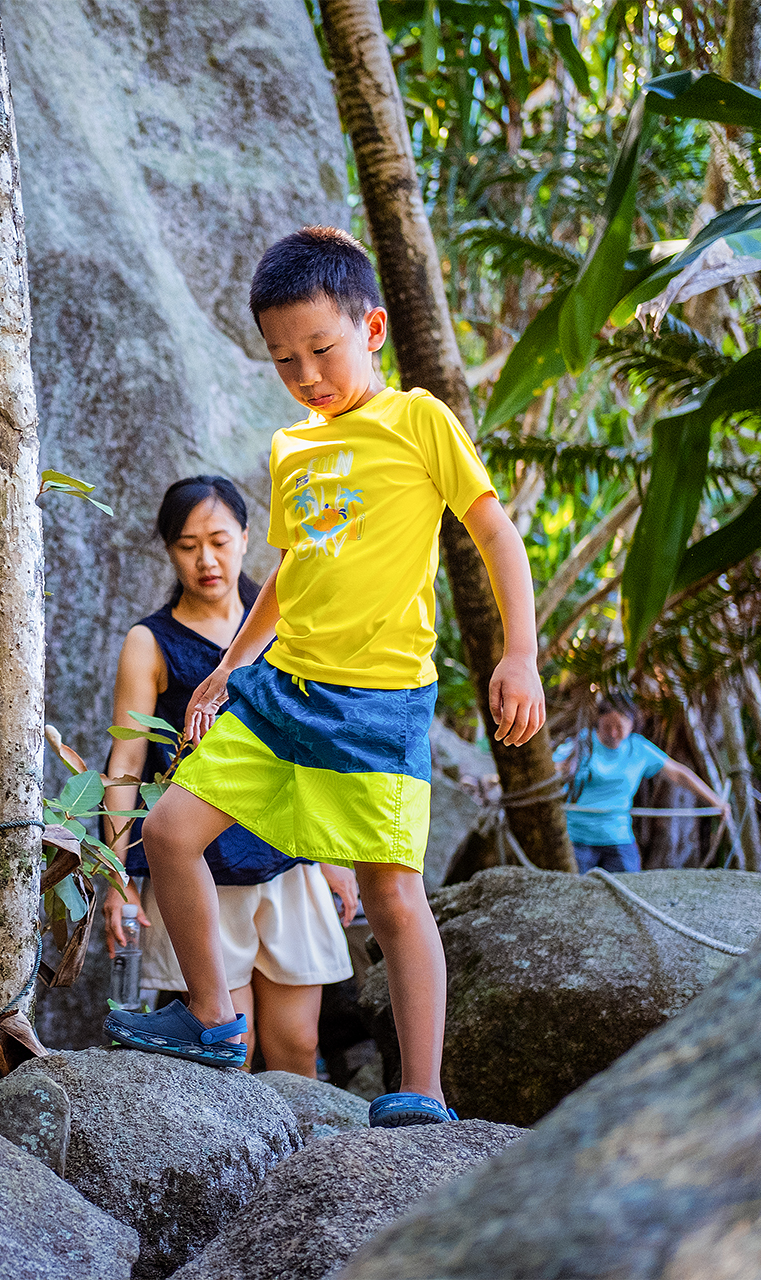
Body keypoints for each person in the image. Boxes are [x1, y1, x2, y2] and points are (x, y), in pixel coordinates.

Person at [104, 226, 546, 1130]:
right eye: (283, 359)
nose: (306, 374)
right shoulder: (291, 450)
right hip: (285, 690)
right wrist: (229, 667)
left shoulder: (420, 420)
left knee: (390, 891)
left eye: (321, 349)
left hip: (379, 699)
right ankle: (212, 1017)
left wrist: (519, 652)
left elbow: (497, 534)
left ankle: (421, 1086)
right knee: (173, 830)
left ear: (372, 327)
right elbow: (295, 570)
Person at [102, 475, 359, 1077]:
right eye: (187, 545)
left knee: (298, 1044)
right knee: (230, 1052)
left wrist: (333, 855)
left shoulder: (288, 622)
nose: (206, 559)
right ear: (169, 550)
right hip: (199, 866)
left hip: (287, 855)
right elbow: (126, 762)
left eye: (219, 539)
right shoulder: (149, 641)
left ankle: (308, 1172)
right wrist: (117, 875)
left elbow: (312, 741)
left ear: (248, 538)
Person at [554, 693, 728, 874]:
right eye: (607, 726)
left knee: (629, 888)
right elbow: (551, 771)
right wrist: (563, 769)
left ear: (632, 725)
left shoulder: (639, 748)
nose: (613, 733)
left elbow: (678, 774)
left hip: (618, 837)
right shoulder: (581, 743)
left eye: (619, 727)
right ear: (598, 721)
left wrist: (715, 801)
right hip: (577, 838)